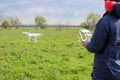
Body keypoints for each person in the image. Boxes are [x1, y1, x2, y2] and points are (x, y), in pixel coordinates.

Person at [82, 1, 120, 80]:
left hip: (104, 73)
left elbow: (95, 47)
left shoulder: (105, 21)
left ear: (108, 4)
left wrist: (87, 43)